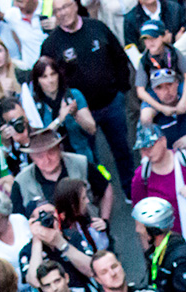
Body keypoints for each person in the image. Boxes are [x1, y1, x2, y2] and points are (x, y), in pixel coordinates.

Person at [39, 0, 137, 190]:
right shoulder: (51, 44)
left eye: (66, 7)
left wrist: (121, 89)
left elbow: (118, 56)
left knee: (122, 149)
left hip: (111, 103)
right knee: (88, 156)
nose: (62, 13)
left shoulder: (97, 27)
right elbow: (46, 78)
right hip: (79, 111)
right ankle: (100, 190)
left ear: (76, 6)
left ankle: (130, 188)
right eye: (57, 10)